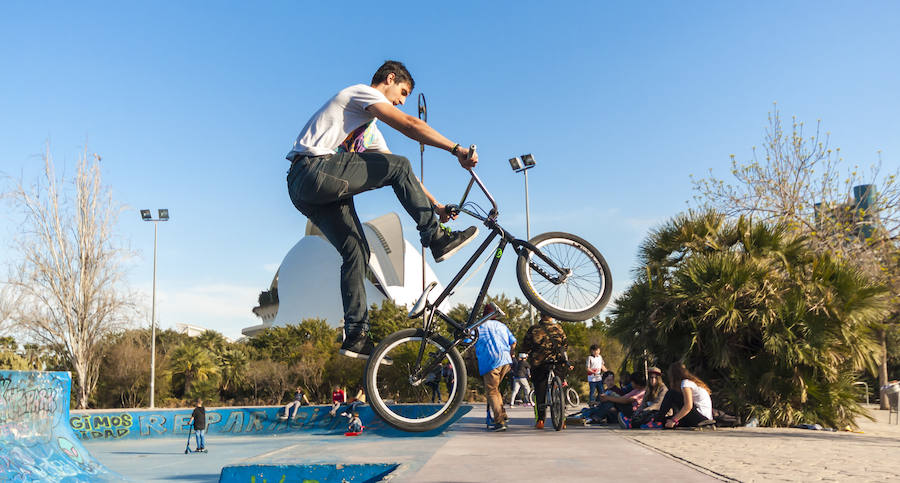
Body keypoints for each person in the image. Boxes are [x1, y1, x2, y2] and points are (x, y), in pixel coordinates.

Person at [285, 60, 480, 360]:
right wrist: (457, 150)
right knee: (399, 164)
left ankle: (356, 335)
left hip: (308, 190)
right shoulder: (360, 94)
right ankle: (436, 238)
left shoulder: (370, 133)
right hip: (312, 170)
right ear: (390, 79)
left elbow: (405, 176)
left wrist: (436, 205)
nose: (402, 102)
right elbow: (410, 126)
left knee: (358, 253)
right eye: (402, 93)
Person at [472, 303, 517, 431]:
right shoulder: (502, 326)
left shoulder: (478, 327)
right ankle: (502, 414)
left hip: (490, 361)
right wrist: (511, 353)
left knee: (491, 391)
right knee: (496, 390)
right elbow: (513, 341)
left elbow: (466, 340)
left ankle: (499, 421)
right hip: (505, 361)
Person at [520, 313, 568, 429]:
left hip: (539, 363)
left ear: (540, 316)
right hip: (557, 362)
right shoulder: (559, 328)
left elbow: (525, 346)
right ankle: (563, 420)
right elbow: (565, 345)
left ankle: (540, 420)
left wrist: (524, 352)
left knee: (539, 391)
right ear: (552, 316)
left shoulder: (534, 329)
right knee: (561, 387)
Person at [652, 362, 714, 429]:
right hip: (703, 418)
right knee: (666, 421)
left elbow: (688, 406)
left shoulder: (685, 383)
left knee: (671, 393)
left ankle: (656, 421)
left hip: (701, 418)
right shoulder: (693, 383)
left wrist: (673, 420)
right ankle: (658, 421)